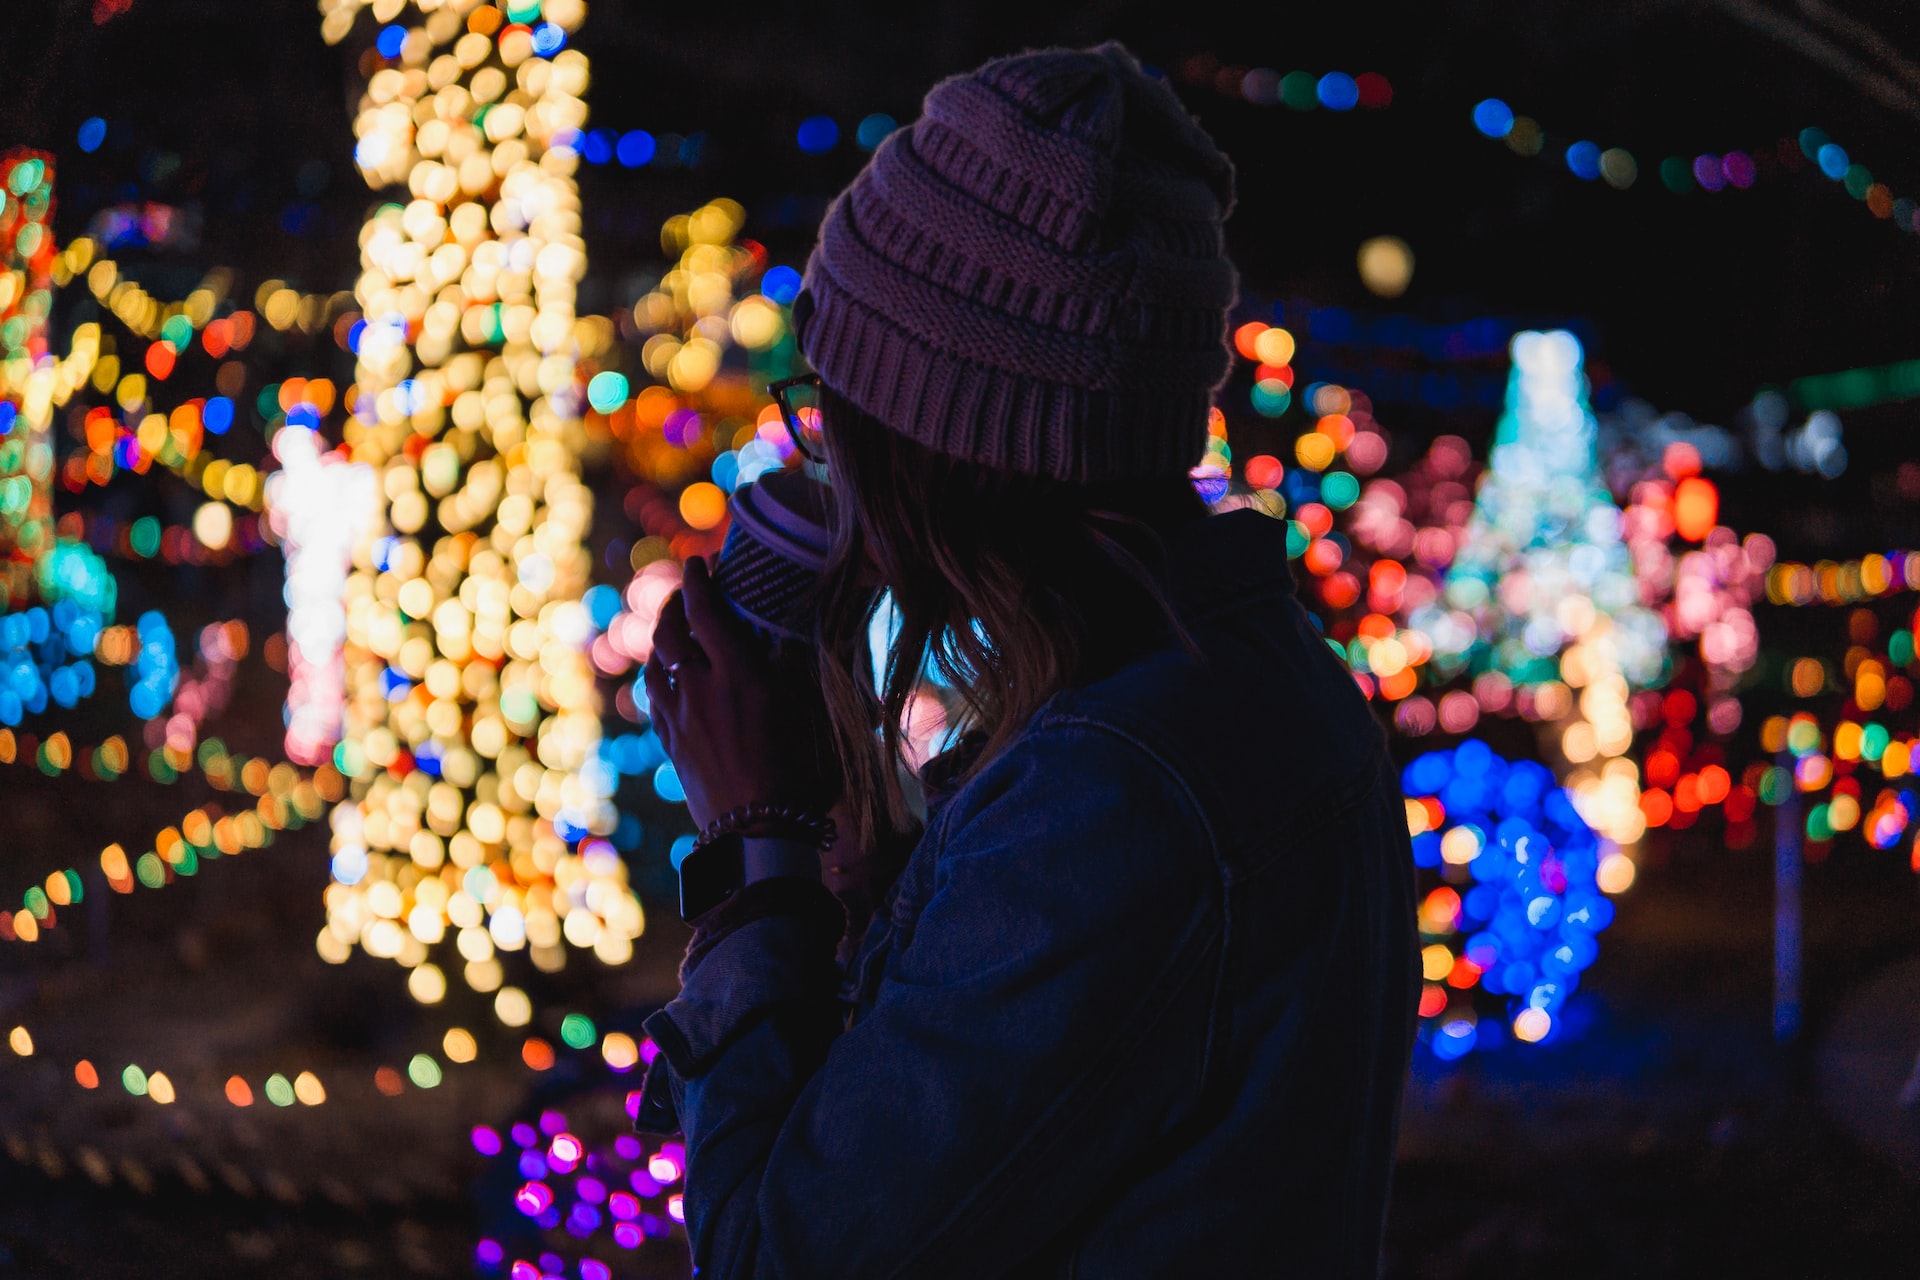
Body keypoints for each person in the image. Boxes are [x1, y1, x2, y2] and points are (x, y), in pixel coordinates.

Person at [637, 41, 1419, 1278]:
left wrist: (756, 841)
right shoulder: (1237, 686)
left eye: (831, 412)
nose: (819, 462)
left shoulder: (1111, 797)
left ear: (930, 448)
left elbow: (777, 1254)